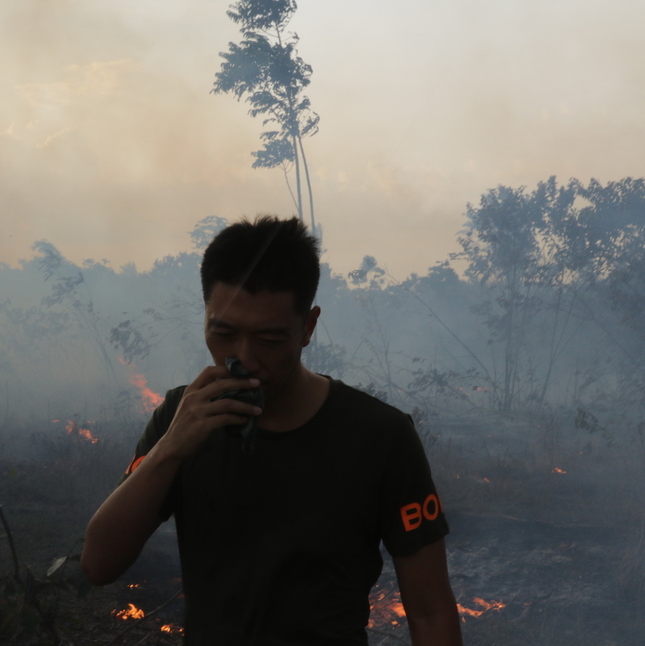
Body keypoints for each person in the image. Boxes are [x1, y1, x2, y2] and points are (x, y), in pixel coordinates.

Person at [82, 216, 463, 645]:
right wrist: (170, 449)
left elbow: (430, 611)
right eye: (222, 332)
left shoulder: (381, 436)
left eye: (269, 339)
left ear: (307, 327)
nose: (243, 358)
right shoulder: (182, 416)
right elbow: (99, 564)